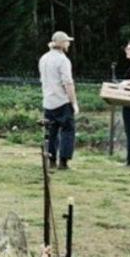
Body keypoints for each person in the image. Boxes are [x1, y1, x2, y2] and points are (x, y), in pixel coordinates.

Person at [38, 30, 79, 169]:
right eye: (67, 41)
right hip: (62, 101)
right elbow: (68, 82)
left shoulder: (43, 58)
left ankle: (51, 160)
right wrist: (73, 102)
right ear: (62, 44)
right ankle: (63, 161)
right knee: (68, 130)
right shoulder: (63, 60)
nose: (68, 44)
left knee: (51, 132)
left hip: (48, 101)